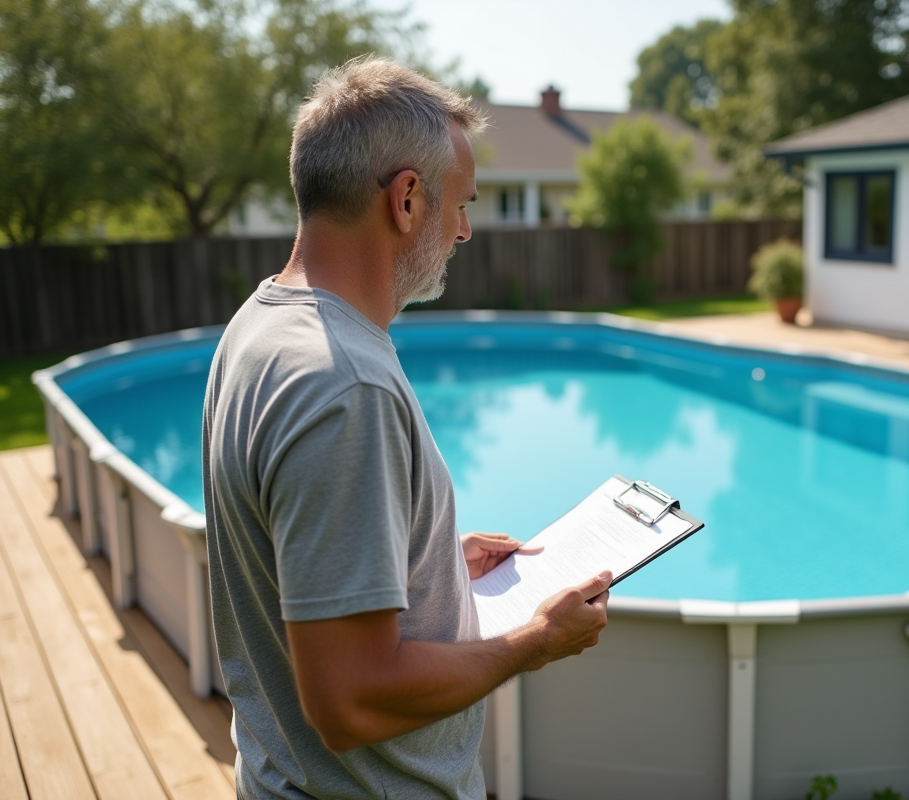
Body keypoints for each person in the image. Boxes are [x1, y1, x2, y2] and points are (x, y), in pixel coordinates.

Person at [201, 57, 612, 800]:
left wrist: (427, 564)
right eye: (461, 205)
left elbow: (287, 551)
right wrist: (535, 642)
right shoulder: (345, 384)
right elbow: (351, 699)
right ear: (407, 199)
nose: (463, 232)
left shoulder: (258, 327)